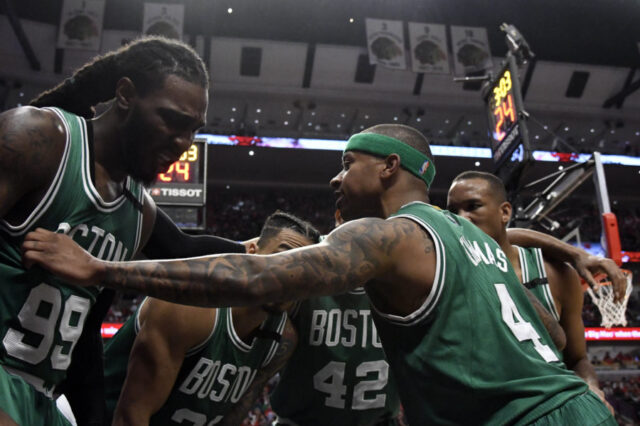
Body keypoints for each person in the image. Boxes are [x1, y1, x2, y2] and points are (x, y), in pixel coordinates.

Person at [23, 124, 616, 425]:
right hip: (575, 409)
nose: (335, 179)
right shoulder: (472, 238)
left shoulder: (390, 235)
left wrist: (101, 267)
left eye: (346, 163)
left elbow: (257, 279)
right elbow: (552, 331)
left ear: (388, 169)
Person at [0, 35, 251, 425]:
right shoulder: (39, 138)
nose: (184, 143)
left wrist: (266, 251)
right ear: (125, 94)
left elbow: (83, 344)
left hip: (42, 397)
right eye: (172, 120)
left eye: (194, 130)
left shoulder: (138, 212)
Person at [103, 211, 319, 425]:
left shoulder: (283, 338)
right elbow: (130, 416)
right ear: (251, 252)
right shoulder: (188, 307)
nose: (290, 277)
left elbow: (233, 413)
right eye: (281, 258)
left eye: (302, 271)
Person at [446, 170, 612, 412]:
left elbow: (577, 358)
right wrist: (575, 252)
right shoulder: (445, 270)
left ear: (505, 212)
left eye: (473, 206)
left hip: (550, 409)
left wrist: (592, 388)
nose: (462, 218)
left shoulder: (557, 274)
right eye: (452, 212)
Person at [270, 209, 401, 426]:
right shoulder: (302, 266)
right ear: (339, 218)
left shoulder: (407, 278)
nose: (368, 232)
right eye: (360, 219)